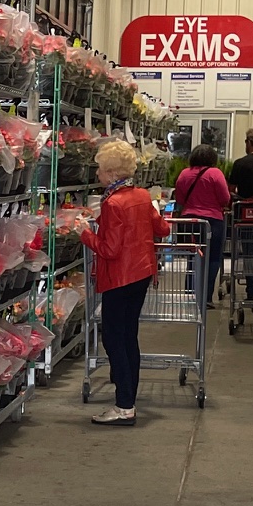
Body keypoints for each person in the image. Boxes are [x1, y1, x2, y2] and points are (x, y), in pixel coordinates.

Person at [81, 138, 169, 425]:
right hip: (142, 273)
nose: (96, 175)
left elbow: (109, 249)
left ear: (110, 173)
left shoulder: (112, 203)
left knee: (113, 337)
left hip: (119, 277)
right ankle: (128, 397)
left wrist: (84, 232)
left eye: (99, 170)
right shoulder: (142, 196)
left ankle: (124, 405)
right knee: (129, 336)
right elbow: (163, 229)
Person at [171, 142, 231, 306]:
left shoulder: (184, 174)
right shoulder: (215, 173)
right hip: (212, 221)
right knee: (212, 259)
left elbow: (180, 199)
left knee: (193, 256)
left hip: (190, 221)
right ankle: (206, 297)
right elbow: (225, 198)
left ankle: (190, 294)